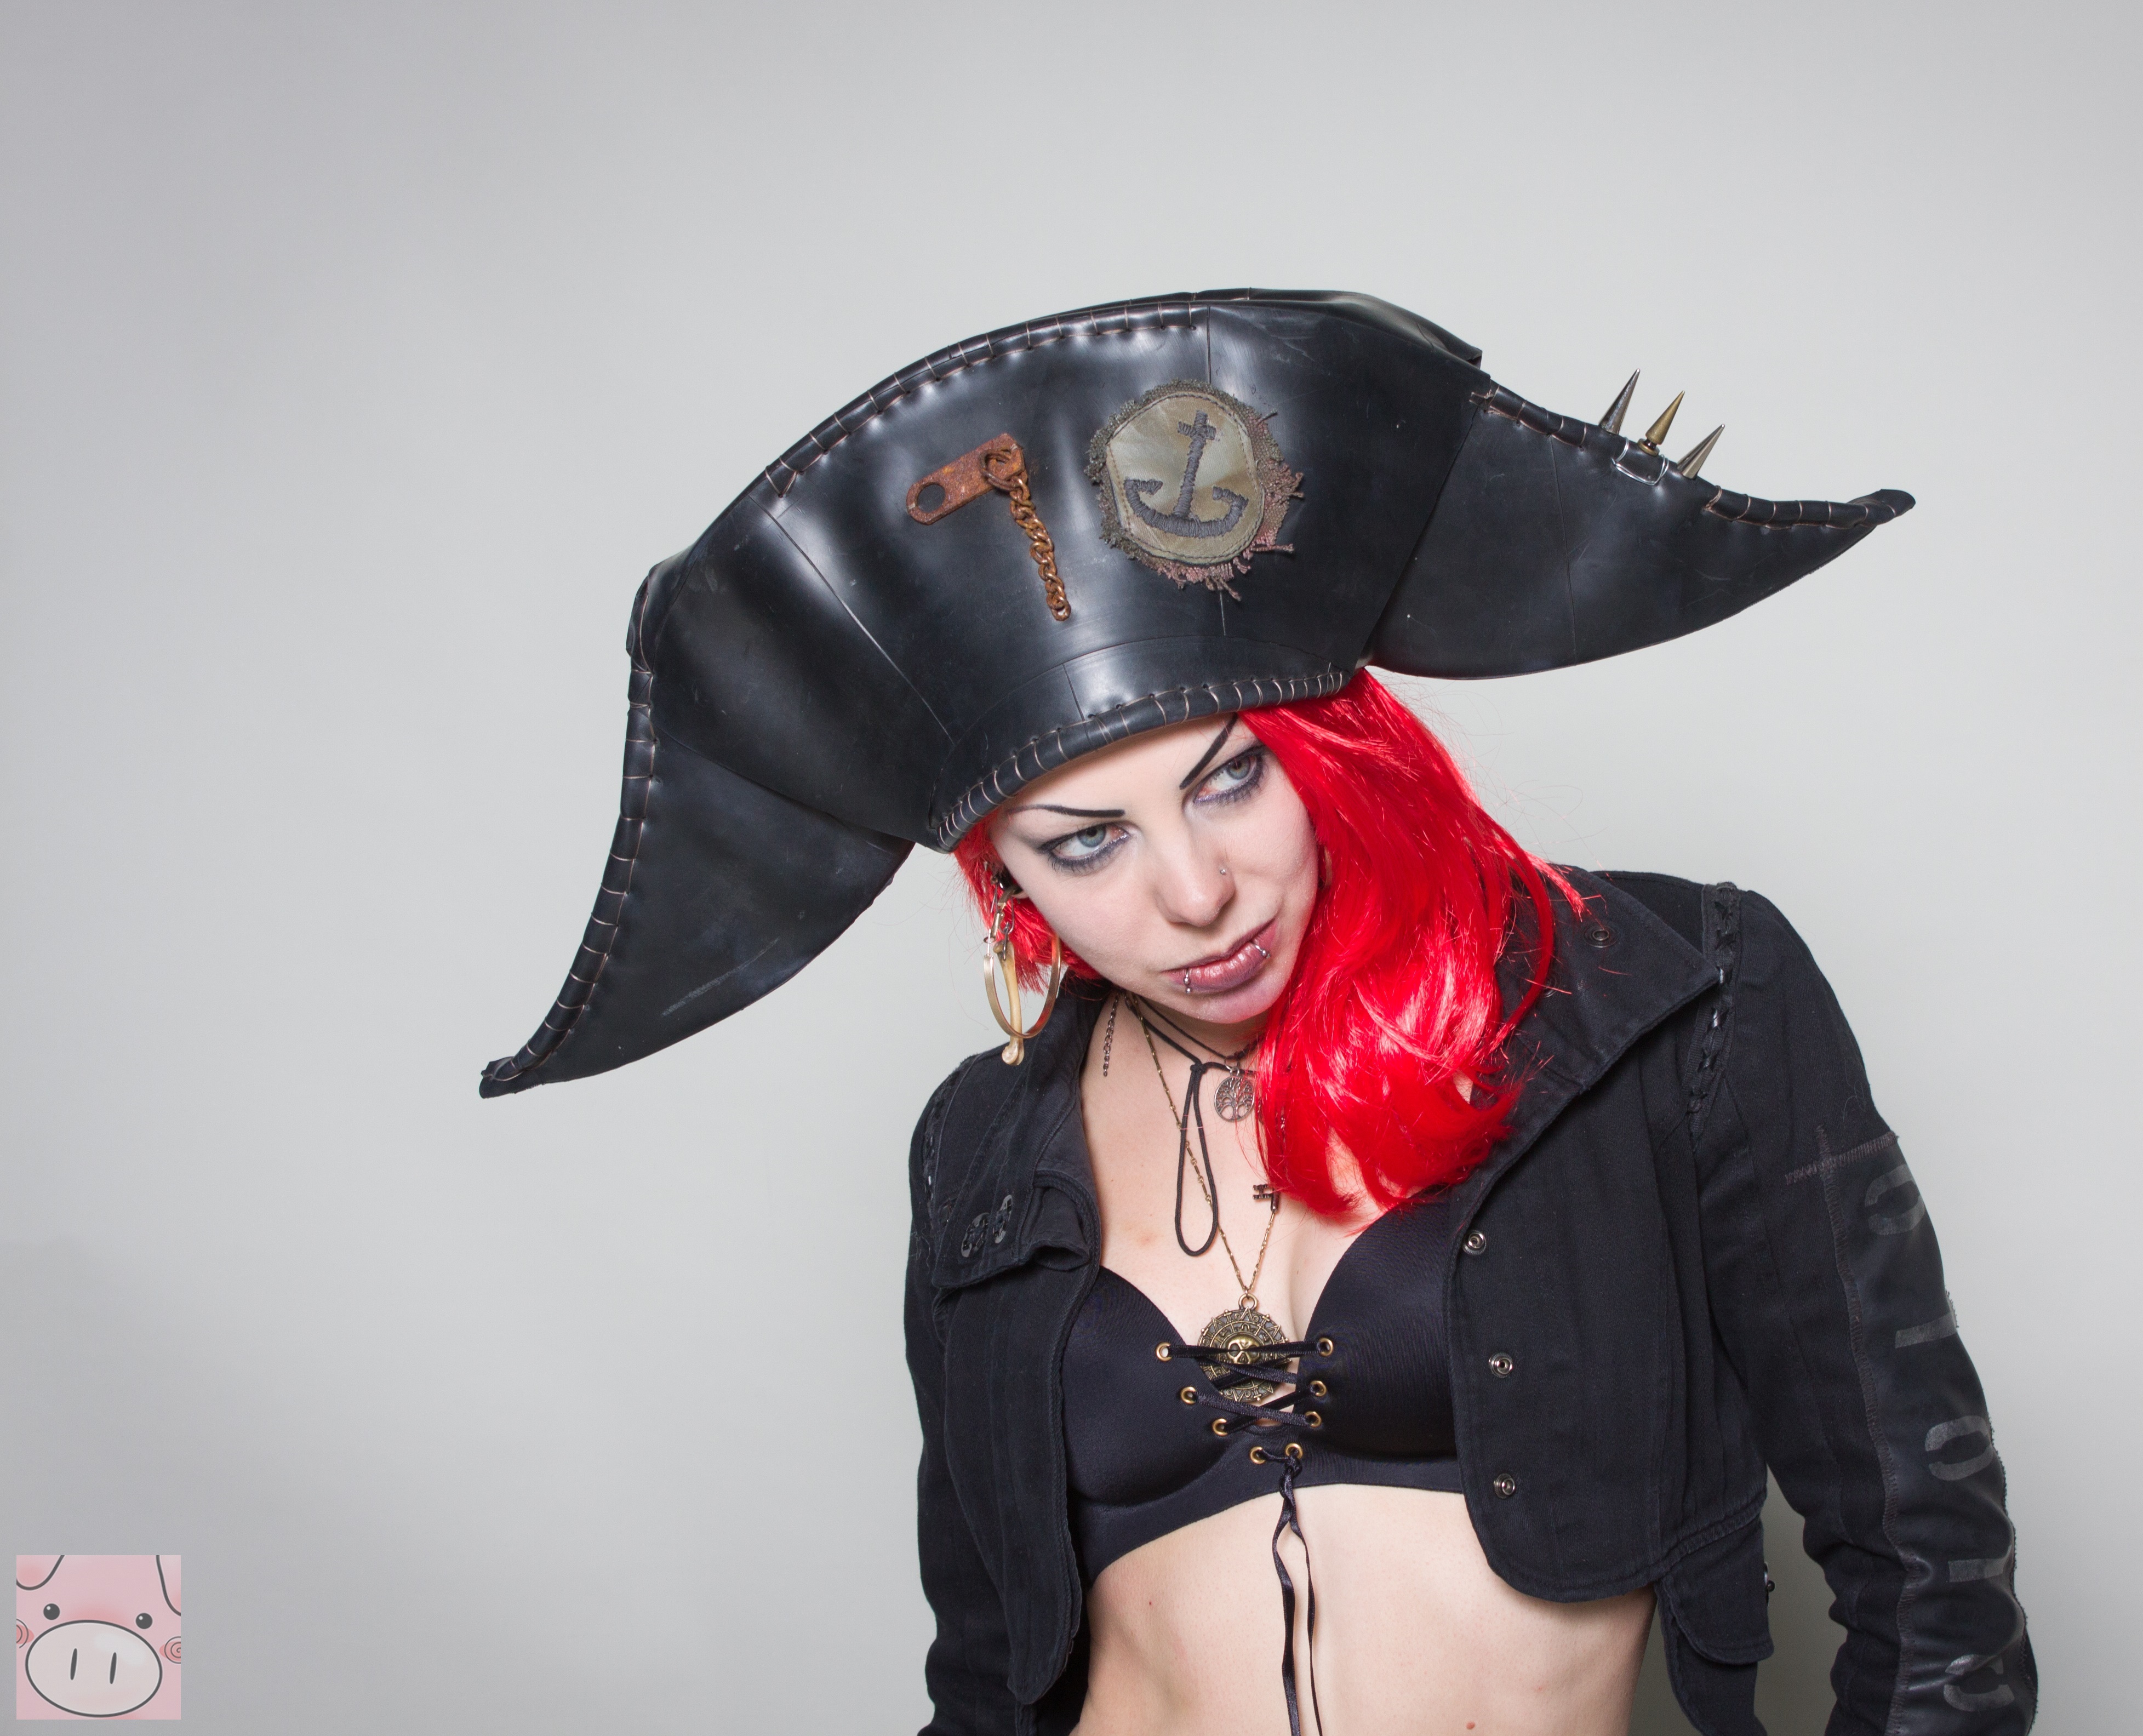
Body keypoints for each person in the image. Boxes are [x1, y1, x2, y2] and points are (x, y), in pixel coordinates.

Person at [482, 291, 2035, 1736]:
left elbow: (1929, 1569)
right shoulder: (980, 1149)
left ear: (1341, 751)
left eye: (1232, 780)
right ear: (1003, 879)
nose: (1195, 892)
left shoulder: (1664, 992)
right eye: (1085, 844)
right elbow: (986, 1664)